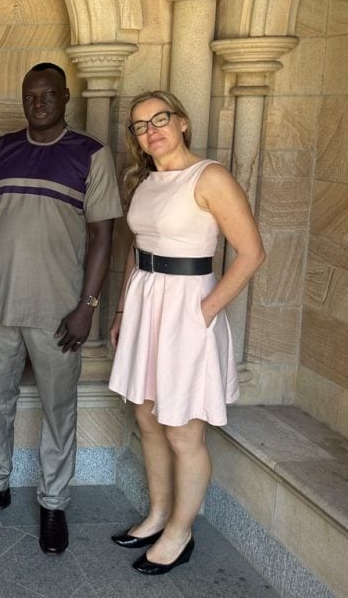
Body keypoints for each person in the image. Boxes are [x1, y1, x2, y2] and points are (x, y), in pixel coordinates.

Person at [0, 63, 121, 555]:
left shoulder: (91, 155)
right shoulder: (0, 150)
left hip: (59, 314)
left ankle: (53, 503)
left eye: (49, 94)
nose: (39, 102)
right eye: (31, 95)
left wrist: (87, 307)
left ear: (66, 96)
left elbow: (103, 237)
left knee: (58, 409)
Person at [108, 91, 265, 574]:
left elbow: (251, 252)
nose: (151, 129)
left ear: (183, 123)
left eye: (160, 119)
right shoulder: (146, 181)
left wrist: (205, 313)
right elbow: (139, 249)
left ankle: (181, 530)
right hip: (144, 305)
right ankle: (157, 514)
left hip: (186, 309)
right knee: (149, 419)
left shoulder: (210, 176)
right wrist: (120, 313)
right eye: (140, 125)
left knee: (182, 430)